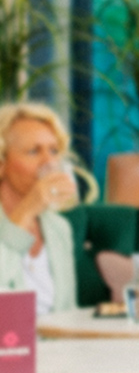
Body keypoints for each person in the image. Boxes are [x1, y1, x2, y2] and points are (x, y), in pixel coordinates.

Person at [0, 103, 79, 315]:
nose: (49, 162)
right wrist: (26, 210)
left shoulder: (59, 228)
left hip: (57, 347)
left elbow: (68, 311)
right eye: (33, 151)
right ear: (2, 163)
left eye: (54, 151)